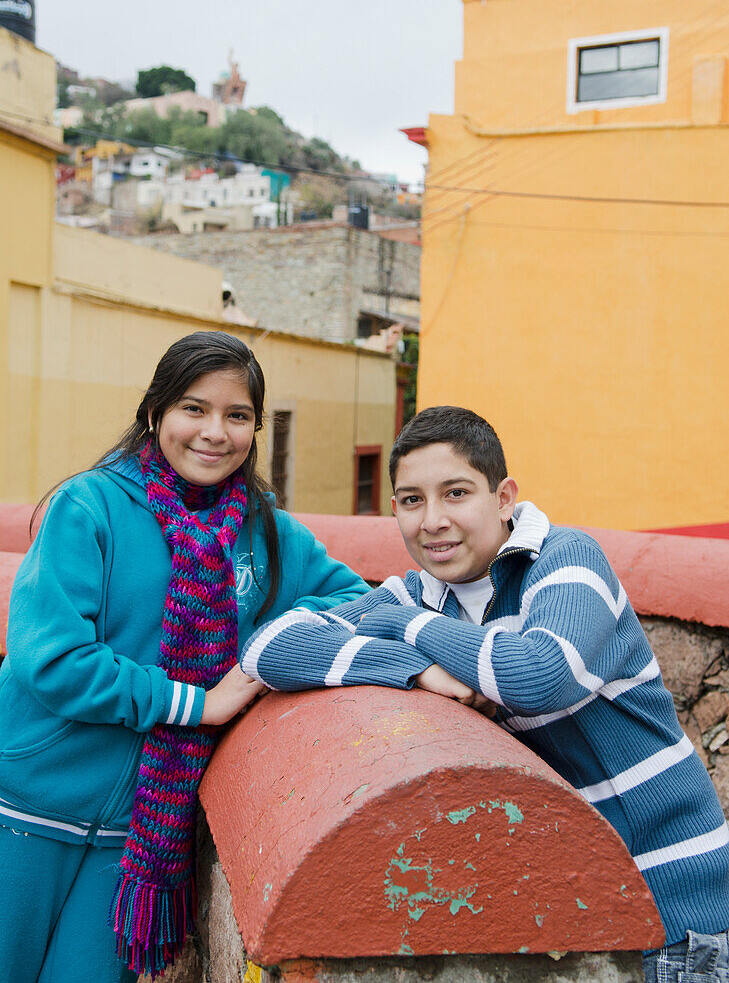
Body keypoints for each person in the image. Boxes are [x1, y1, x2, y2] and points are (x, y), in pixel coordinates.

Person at [240, 405, 729, 982]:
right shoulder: (420, 593)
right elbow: (268, 648)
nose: (433, 521)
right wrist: (414, 669)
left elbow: (540, 676)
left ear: (502, 499)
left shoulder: (565, 561)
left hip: (678, 914)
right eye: (412, 500)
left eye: (456, 493)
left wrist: (408, 629)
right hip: (584, 907)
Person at [0, 330, 388, 983]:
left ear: (255, 429)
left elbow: (357, 601)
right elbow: (55, 662)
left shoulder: (263, 534)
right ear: (155, 415)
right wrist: (198, 703)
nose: (214, 432)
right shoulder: (89, 507)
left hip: (133, 846)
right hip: (21, 810)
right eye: (193, 408)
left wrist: (267, 648)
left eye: (237, 416)